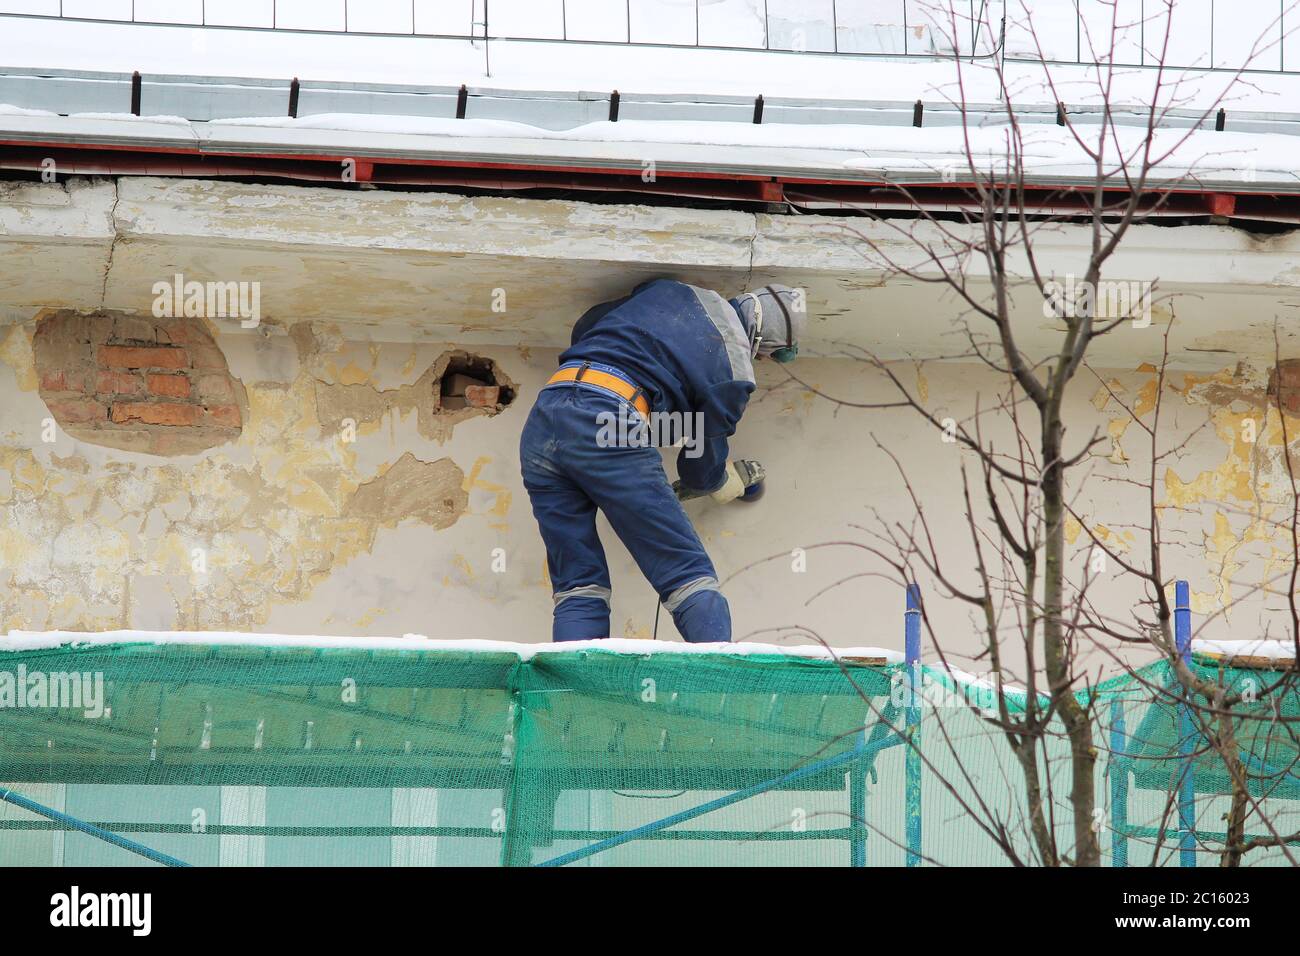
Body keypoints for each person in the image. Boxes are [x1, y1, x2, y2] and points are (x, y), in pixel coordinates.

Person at [519, 278, 806, 643]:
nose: (761, 362)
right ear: (762, 340)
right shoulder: (734, 371)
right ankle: (717, 686)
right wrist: (722, 482)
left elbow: (589, 323)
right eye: (770, 355)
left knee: (578, 584)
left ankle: (570, 692)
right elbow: (700, 463)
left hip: (546, 416)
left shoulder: (673, 291)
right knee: (688, 574)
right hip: (607, 421)